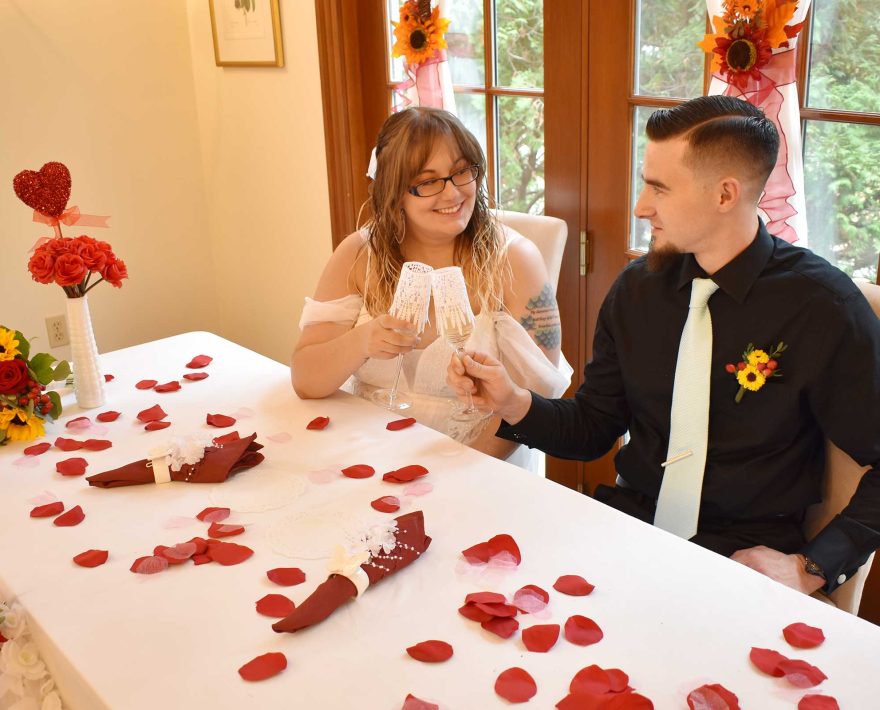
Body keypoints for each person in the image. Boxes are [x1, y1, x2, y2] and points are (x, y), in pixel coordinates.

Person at [448, 95, 880, 596]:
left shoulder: (822, 307)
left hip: (742, 556)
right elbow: (594, 429)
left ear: (725, 194)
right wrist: (513, 402)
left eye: (659, 188)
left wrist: (813, 566)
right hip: (626, 528)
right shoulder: (637, 290)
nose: (640, 206)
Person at [292, 107, 572, 465]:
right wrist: (362, 341)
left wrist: (456, 470)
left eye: (460, 172)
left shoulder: (515, 260)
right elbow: (306, 379)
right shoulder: (359, 254)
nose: (453, 193)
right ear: (394, 193)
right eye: (428, 181)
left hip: (481, 463)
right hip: (367, 453)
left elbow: (534, 401)